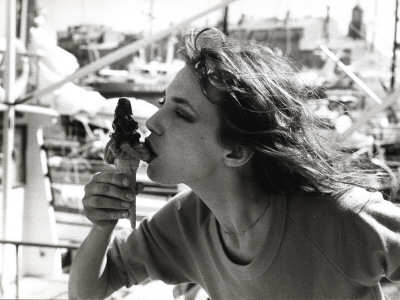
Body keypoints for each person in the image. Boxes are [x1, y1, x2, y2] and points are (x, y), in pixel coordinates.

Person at [68, 28, 400, 299]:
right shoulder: (186, 221)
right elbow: (89, 290)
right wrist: (102, 226)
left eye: (181, 114)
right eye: (162, 102)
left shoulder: (337, 217)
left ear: (236, 151)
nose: (153, 121)